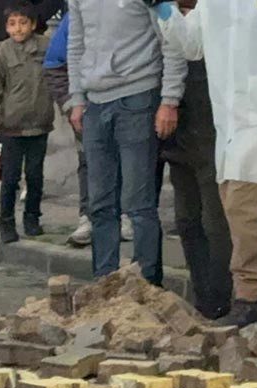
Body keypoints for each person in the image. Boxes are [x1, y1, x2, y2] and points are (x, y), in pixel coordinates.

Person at [155, 0, 257, 328]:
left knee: (245, 204)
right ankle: (251, 293)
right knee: (234, 202)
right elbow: (192, 45)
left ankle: (252, 295)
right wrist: (164, 12)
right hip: (229, 115)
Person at [68, 0, 186, 287]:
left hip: (138, 97)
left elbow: (172, 40)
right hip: (95, 103)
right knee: (100, 203)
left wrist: (170, 98)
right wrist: (77, 98)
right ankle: (104, 283)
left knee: (138, 203)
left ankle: (147, 286)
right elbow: (76, 43)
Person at [159, 0, 231, 320]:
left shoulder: (217, 13)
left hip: (213, 128)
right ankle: (204, 298)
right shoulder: (173, 17)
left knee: (215, 222)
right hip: (182, 132)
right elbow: (178, 46)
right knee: (187, 220)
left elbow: (191, 47)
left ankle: (221, 297)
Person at [0, 3, 55, 243]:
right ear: (6, 27)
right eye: (13, 24)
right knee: (10, 177)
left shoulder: (46, 47)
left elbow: (58, 75)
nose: (18, 29)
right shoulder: (2, 52)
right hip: (11, 126)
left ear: (33, 24)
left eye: (23, 23)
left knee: (35, 176)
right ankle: (6, 223)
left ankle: (32, 218)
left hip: (39, 124)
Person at [43, 11, 91, 246]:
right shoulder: (77, 15)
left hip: (130, 102)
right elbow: (53, 63)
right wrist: (70, 103)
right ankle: (88, 217)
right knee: (88, 162)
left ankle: (126, 216)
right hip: (86, 108)